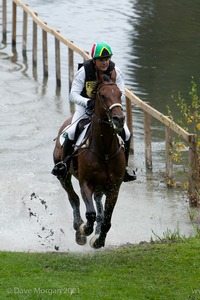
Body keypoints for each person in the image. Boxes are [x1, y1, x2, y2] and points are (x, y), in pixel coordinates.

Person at [52, 42, 136, 182]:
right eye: (101, 60)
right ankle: (64, 165)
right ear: (94, 60)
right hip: (85, 109)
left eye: (107, 59)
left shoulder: (116, 72)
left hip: (108, 111)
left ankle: (125, 168)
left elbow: (120, 93)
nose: (105, 63)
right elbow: (72, 94)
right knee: (72, 131)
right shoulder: (84, 72)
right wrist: (87, 102)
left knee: (126, 133)